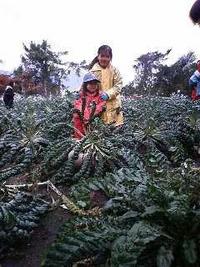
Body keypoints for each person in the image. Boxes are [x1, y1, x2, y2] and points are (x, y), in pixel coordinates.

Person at [89, 45, 123, 126]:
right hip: (98, 108)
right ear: (98, 56)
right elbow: (86, 87)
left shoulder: (115, 71)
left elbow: (119, 85)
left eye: (107, 56)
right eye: (102, 56)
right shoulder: (92, 72)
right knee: (101, 132)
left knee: (117, 132)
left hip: (114, 107)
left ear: (110, 58)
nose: (104, 59)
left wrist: (108, 94)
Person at [72, 72, 106, 139]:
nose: (93, 85)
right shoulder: (80, 95)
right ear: (85, 85)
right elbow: (78, 106)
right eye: (90, 83)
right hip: (81, 123)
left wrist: (90, 117)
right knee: (77, 119)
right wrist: (86, 117)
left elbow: (100, 106)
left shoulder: (100, 96)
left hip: (94, 122)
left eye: (95, 83)